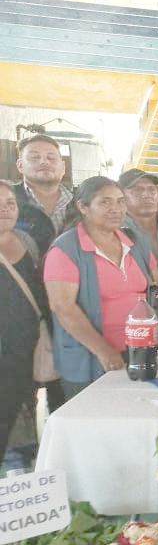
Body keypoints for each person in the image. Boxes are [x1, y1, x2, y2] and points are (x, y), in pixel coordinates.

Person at [43, 177, 158, 399]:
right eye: (105, 202)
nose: (115, 209)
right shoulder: (66, 249)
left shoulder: (136, 241)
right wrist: (103, 350)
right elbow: (63, 307)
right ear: (83, 207)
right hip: (93, 359)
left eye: (120, 202)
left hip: (142, 351)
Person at [0, 183, 48, 459]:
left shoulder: (27, 242)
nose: (5, 209)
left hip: (29, 348)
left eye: (10, 203)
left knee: (24, 413)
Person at [13, 134, 65, 254]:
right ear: (20, 166)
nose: (44, 162)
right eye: (35, 157)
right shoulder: (7, 201)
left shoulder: (83, 203)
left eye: (51, 158)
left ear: (63, 167)